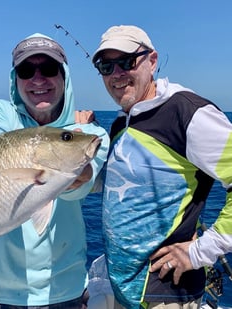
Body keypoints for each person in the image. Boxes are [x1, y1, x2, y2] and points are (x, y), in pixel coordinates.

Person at [0, 33, 109, 309]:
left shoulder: (92, 134)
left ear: (65, 76)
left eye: (49, 69)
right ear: (15, 80)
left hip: (62, 294)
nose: (38, 79)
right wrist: (51, 159)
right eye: (27, 70)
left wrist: (78, 168)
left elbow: (75, 192)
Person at [92, 25, 232, 309]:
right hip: (126, 292)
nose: (117, 73)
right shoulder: (122, 123)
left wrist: (200, 252)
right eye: (106, 66)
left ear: (152, 61)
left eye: (127, 62)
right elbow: (113, 186)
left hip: (166, 295)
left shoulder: (187, 113)